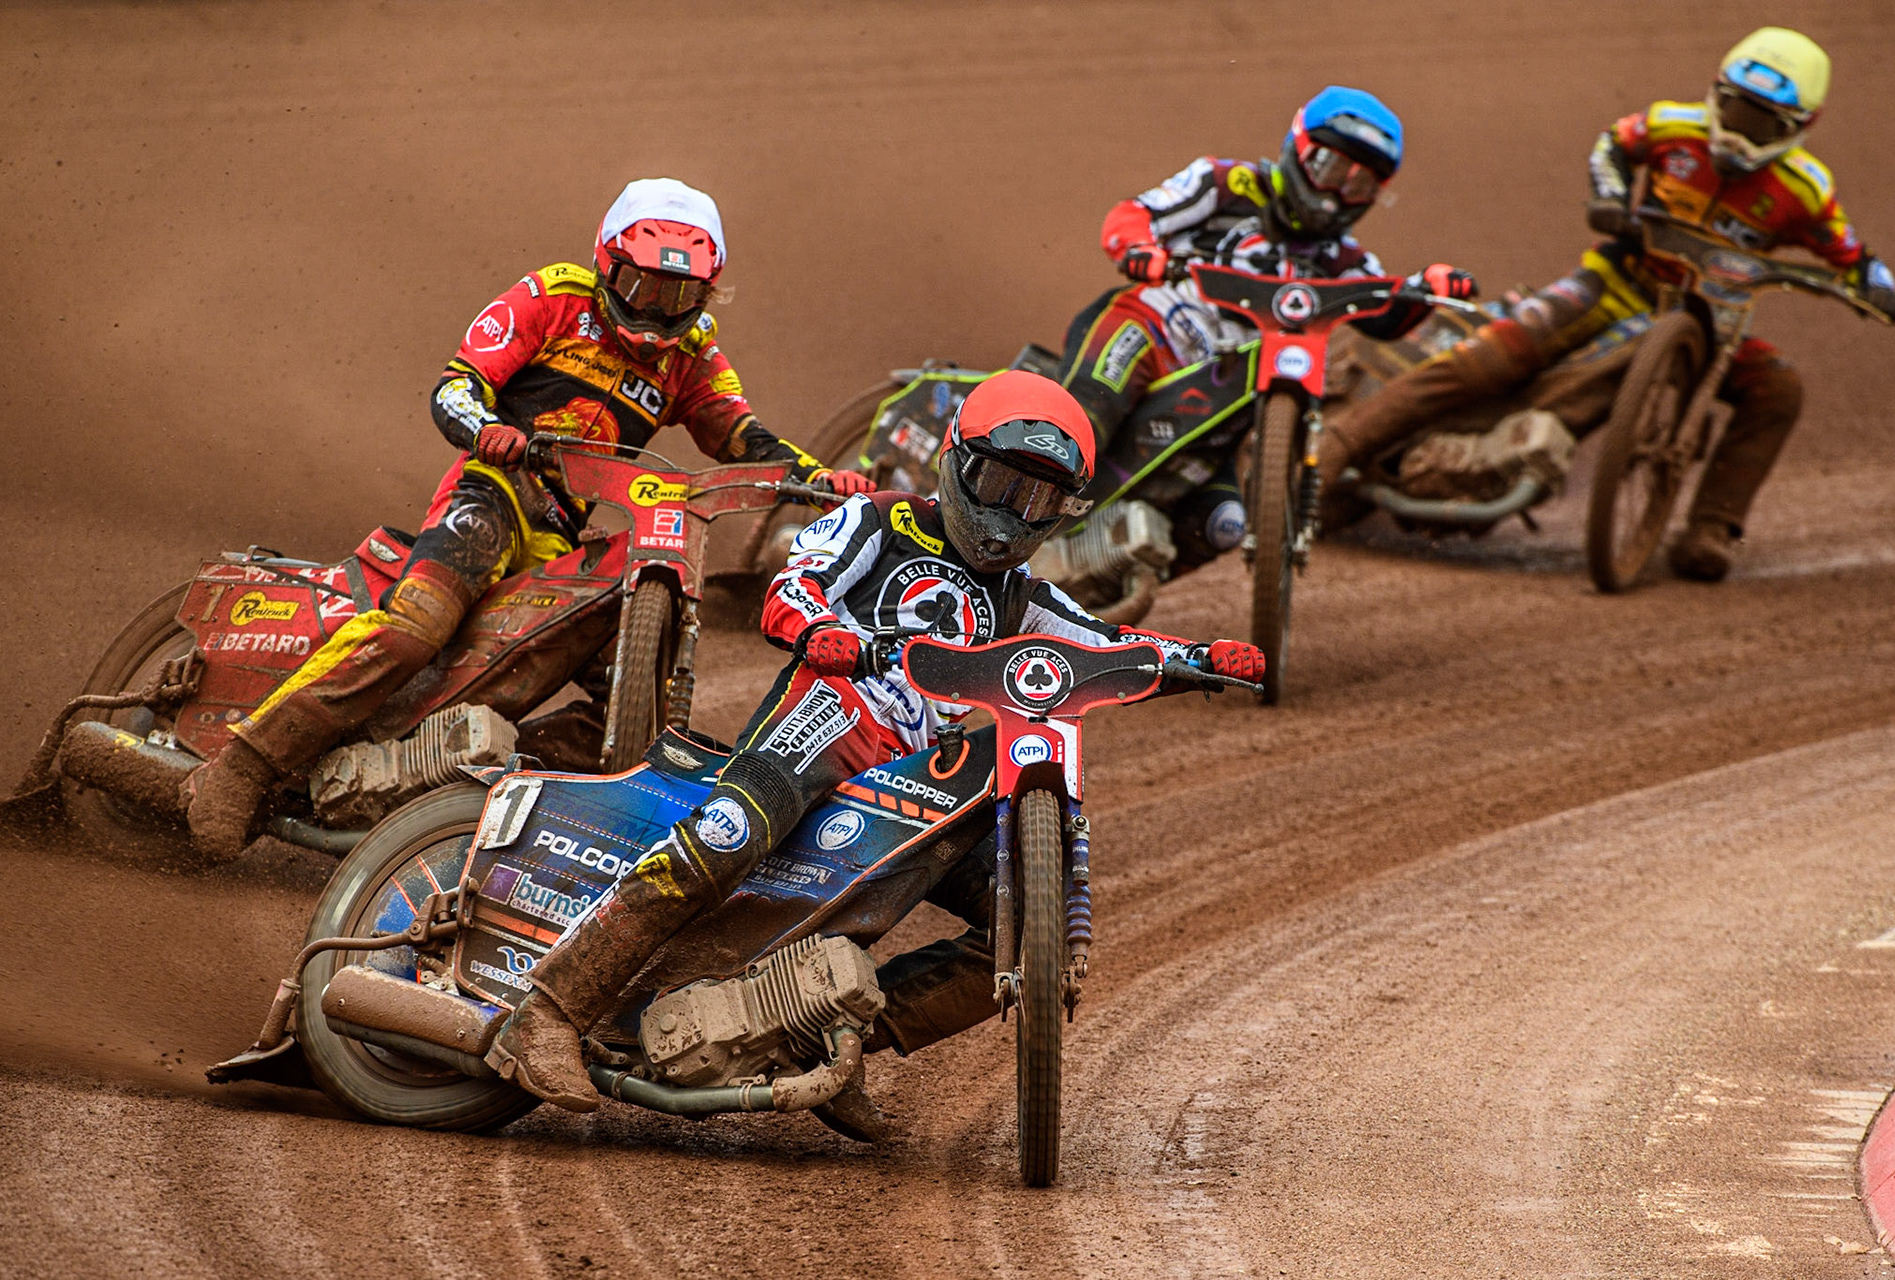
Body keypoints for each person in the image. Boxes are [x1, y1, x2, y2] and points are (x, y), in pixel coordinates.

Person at [483, 370, 1266, 1127]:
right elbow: (794, 585)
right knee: (730, 836)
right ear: (957, 460)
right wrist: (820, 632)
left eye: (1037, 499)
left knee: (1033, 922)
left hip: (913, 776)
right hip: (827, 717)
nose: (1009, 516)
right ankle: (549, 1012)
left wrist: (1199, 660)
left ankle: (830, 1040)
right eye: (998, 484)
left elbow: (1106, 646)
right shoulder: (877, 522)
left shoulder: (1026, 597)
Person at [183, 179, 875, 861]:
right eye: (644, 290)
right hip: (492, 491)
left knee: (640, 714)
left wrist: (820, 479)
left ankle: (463, 789)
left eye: (681, 296)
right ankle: (243, 767)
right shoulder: (554, 298)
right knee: (417, 625)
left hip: (560, 531)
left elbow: (744, 439)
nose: (660, 312)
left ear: (707, 293)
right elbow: (456, 385)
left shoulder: (691, 357)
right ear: (609, 265)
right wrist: (487, 428)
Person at [1318, 28, 1895, 580]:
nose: (1741, 131)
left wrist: (1873, 286)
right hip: (1613, 282)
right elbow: (1613, 145)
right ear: (1716, 94)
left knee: (1779, 387)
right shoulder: (1671, 127)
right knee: (1494, 355)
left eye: (1762, 122)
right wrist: (1611, 196)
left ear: (1801, 125)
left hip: (1711, 324)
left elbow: (1851, 253)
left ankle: (1712, 529)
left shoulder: (1805, 191)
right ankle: (1328, 459)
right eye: (1735, 110)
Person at [1056, 85, 1476, 572]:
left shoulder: (1342, 258)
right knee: (1080, 421)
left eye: (1359, 184)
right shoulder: (1226, 183)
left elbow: (1384, 314)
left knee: (1224, 523)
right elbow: (1136, 214)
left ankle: (1102, 582)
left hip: (1221, 403)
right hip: (1152, 328)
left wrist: (1427, 288)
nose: (1337, 192)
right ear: (1298, 147)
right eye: (1330, 168)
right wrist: (1138, 249)